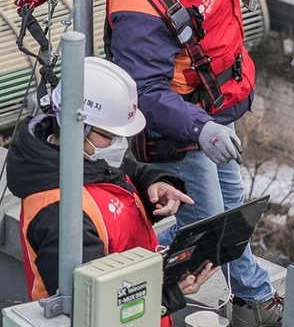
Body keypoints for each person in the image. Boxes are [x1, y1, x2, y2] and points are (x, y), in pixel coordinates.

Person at [105, 0, 284, 327]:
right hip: (182, 130)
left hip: (211, 114)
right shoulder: (139, 1)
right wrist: (200, 128)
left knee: (227, 216)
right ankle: (236, 301)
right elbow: (143, 90)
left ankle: (251, 298)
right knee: (205, 229)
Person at [5, 56, 218, 324]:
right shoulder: (60, 214)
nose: (117, 144)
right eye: (108, 136)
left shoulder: (86, 159)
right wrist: (170, 295)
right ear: (76, 126)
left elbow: (123, 174)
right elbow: (90, 308)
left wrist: (155, 183)